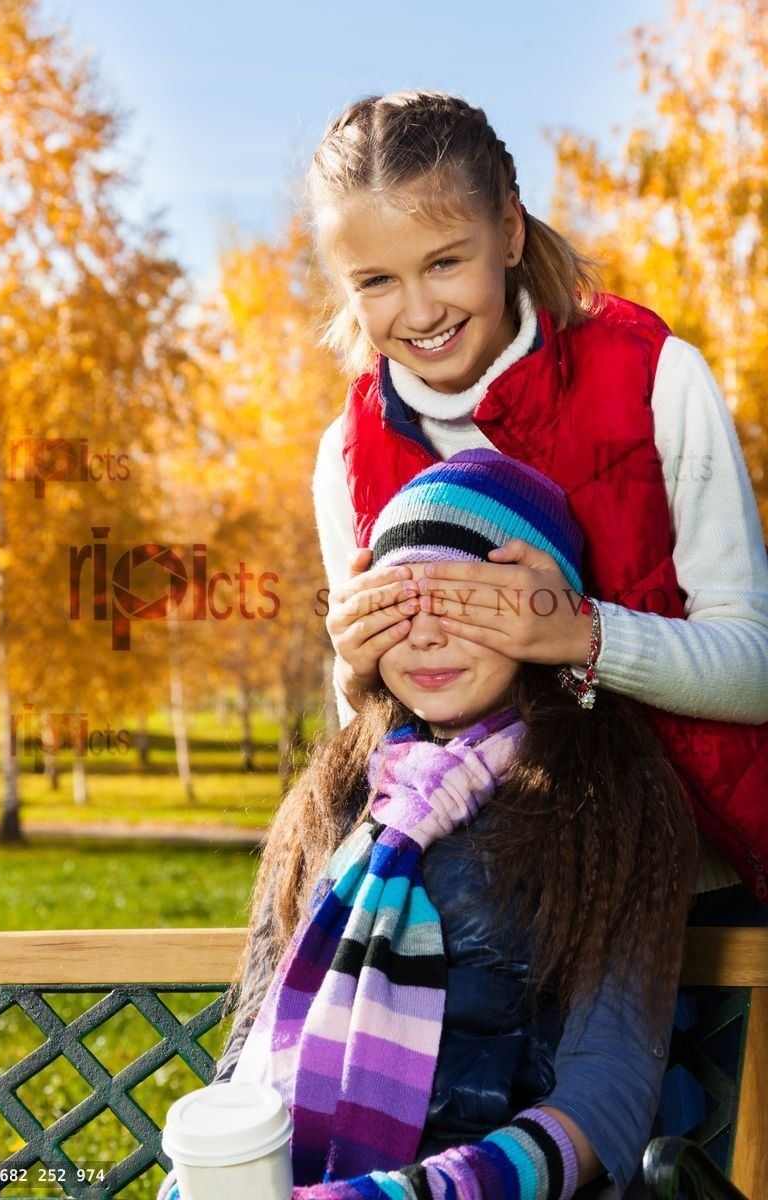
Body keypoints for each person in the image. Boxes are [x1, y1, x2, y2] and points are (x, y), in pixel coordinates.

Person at [157, 449, 699, 1200]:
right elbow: (254, 1042)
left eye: (463, 603)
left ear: (541, 614)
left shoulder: (615, 800)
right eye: (397, 606)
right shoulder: (338, 792)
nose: (424, 637)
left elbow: (607, 1097)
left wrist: (410, 1194)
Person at [307, 87, 768, 907]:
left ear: (510, 232)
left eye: (446, 261)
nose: (419, 311)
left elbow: (755, 669)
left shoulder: (655, 377)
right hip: (474, 905)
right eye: (376, 279)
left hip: (700, 889)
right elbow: (370, 737)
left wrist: (578, 633)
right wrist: (352, 667)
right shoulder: (347, 453)